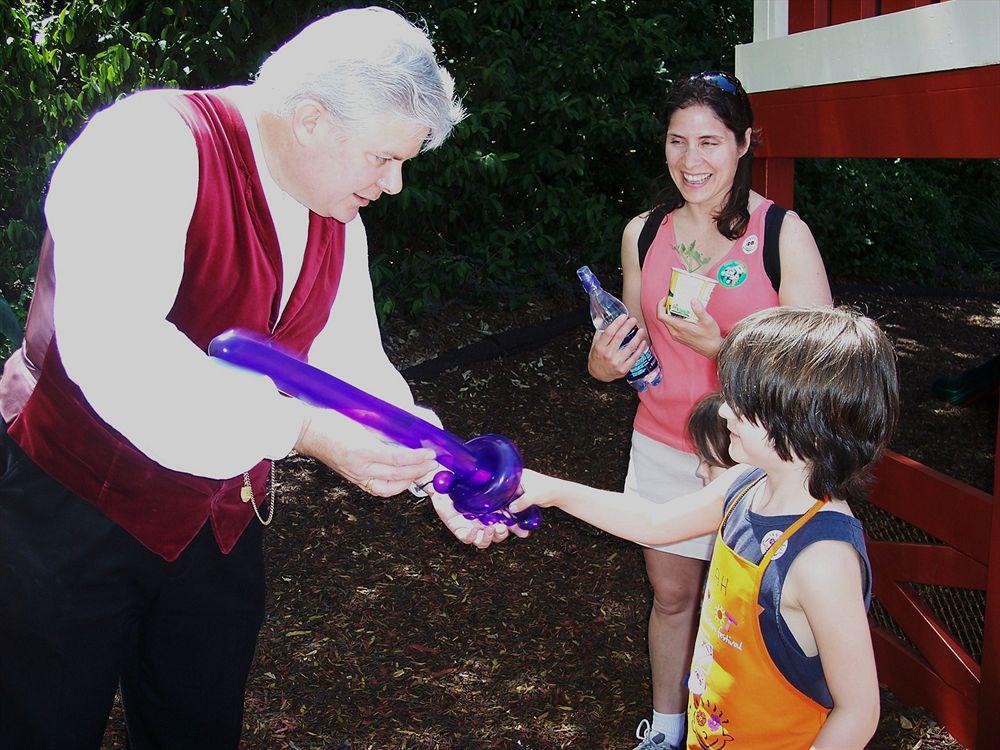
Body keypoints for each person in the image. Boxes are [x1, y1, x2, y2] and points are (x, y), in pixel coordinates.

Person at [0, 8, 525, 749]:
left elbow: (351, 367)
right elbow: (116, 351)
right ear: (310, 119)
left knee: (197, 728)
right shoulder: (144, 148)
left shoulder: (336, 211)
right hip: (67, 508)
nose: (396, 184)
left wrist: (438, 471)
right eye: (383, 158)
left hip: (216, 528)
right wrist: (301, 430)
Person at [514, 305, 897, 750]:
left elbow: (859, 710)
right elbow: (654, 523)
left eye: (744, 405)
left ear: (804, 427)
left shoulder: (822, 558)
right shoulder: (746, 484)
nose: (725, 414)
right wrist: (551, 490)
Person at [586, 70, 832, 749]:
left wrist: (726, 350)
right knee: (671, 598)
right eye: (677, 141)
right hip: (663, 442)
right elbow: (627, 345)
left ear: (744, 142)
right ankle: (667, 730)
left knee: (750, 612)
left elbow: (822, 374)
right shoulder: (645, 232)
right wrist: (603, 363)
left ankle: (745, 732)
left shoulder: (781, 234)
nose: (690, 161)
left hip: (759, 463)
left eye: (710, 143)